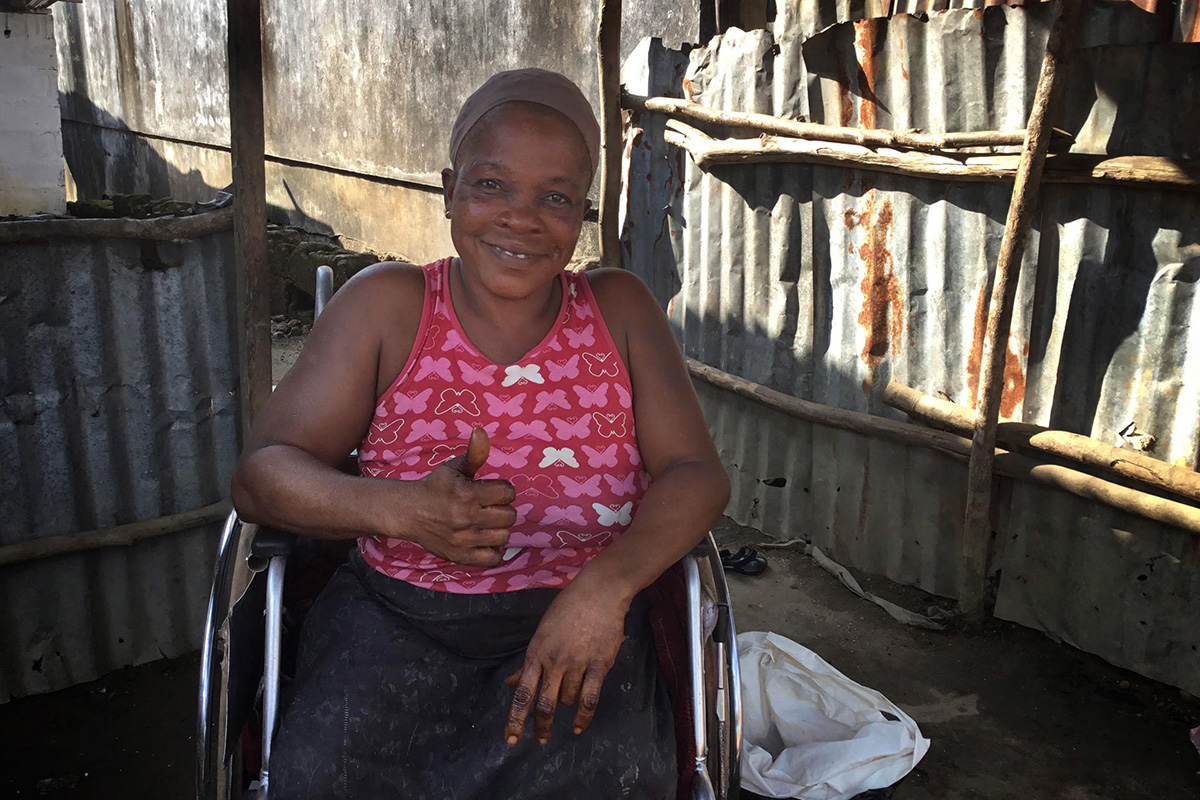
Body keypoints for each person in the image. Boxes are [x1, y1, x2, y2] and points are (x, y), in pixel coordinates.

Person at [231, 68, 730, 799]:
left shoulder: (620, 309)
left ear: (583, 212)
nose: (520, 219)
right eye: (491, 185)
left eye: (555, 197)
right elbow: (261, 476)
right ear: (449, 190)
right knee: (321, 776)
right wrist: (401, 509)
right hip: (396, 621)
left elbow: (695, 472)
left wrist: (607, 587)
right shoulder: (389, 306)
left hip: (577, 625)